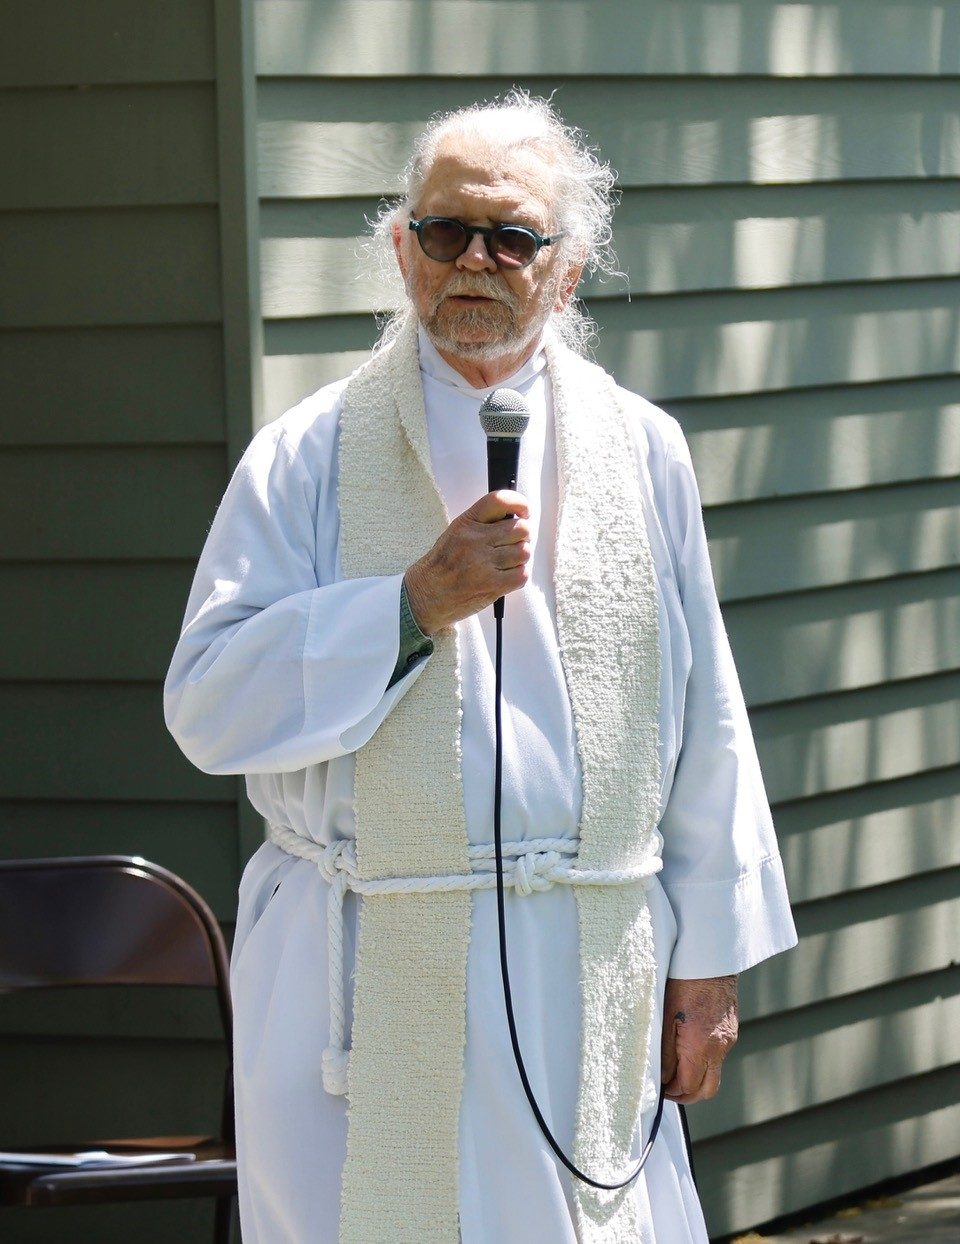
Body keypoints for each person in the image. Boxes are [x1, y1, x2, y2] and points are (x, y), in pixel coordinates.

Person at [165, 90, 797, 1244]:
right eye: (447, 232)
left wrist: (707, 971)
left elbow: (707, 720)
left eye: (513, 237)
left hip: (583, 954)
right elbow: (208, 702)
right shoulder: (304, 457)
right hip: (360, 970)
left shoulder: (640, 447)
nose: (476, 261)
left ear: (568, 268)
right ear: (401, 248)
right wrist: (407, 608)